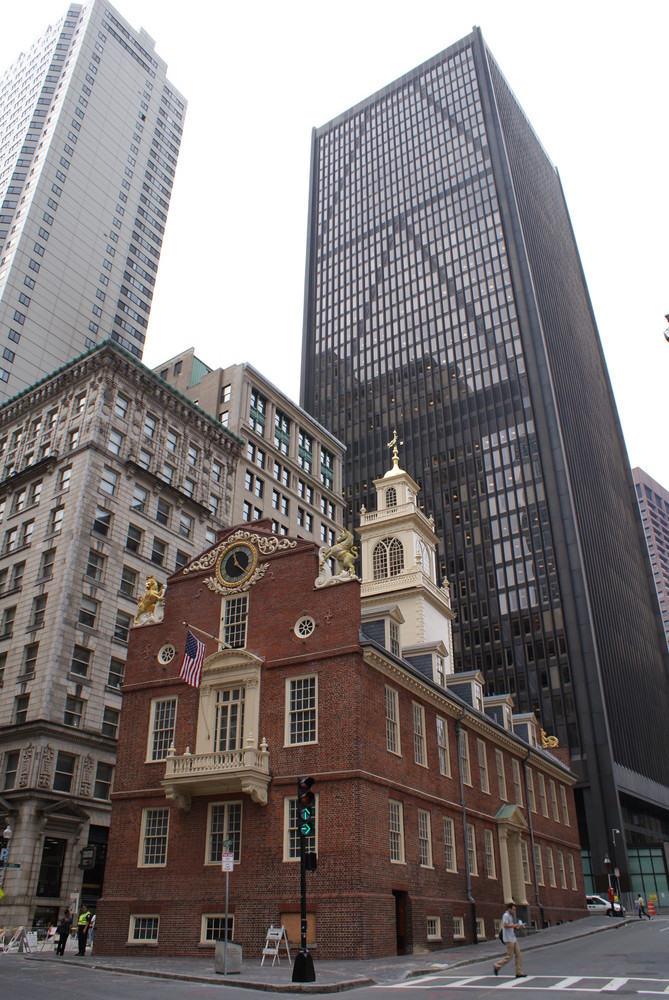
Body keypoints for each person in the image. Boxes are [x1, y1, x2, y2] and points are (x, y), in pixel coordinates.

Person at [494, 902, 525, 977]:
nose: (514, 911)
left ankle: (519, 972)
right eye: (513, 910)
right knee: (509, 956)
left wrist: (517, 926)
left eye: (515, 910)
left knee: (519, 954)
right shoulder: (506, 915)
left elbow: (510, 926)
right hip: (508, 939)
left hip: (513, 938)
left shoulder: (510, 916)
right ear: (509, 909)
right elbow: (505, 925)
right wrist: (514, 925)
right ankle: (497, 965)